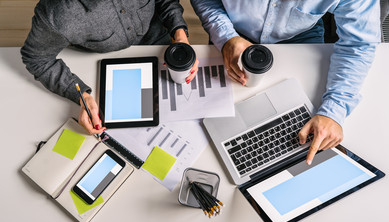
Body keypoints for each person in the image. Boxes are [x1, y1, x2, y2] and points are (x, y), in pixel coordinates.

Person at [190, 0, 381, 164]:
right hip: (232, 28)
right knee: (214, 130)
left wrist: (333, 112)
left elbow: (358, 45)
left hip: (301, 34)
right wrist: (225, 37)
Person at [21, 0, 198, 135]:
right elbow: (36, 57)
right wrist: (80, 95)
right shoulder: (59, 13)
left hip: (161, 42)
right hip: (100, 61)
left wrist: (179, 34)